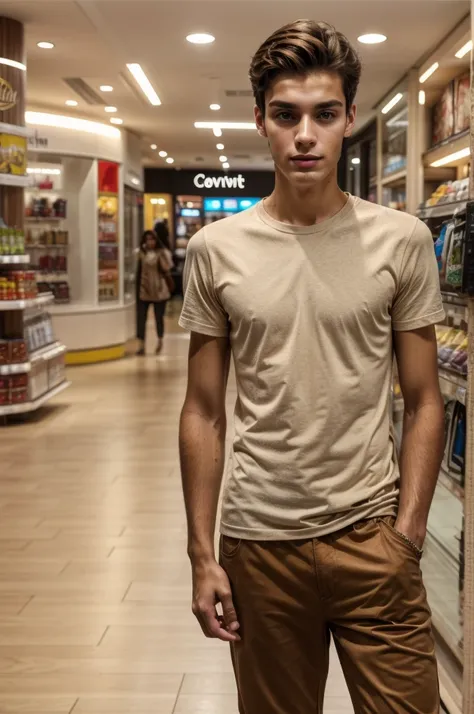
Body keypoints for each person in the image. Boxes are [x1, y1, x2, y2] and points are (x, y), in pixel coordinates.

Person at [178, 19, 445, 714]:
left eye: (325, 115)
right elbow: (203, 410)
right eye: (287, 115)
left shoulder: (404, 241)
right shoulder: (215, 249)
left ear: (349, 119)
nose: (305, 135)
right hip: (260, 547)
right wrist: (202, 555)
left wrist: (407, 534)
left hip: (373, 539)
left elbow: (424, 398)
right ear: (261, 120)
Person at [136, 229, 173, 355]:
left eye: (152, 239)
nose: (150, 242)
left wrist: (162, 258)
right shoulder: (141, 254)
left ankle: (160, 340)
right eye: (147, 240)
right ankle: (141, 344)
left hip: (159, 290)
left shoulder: (162, 253)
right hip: (143, 290)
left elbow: (167, 268)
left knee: (159, 318)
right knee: (141, 318)